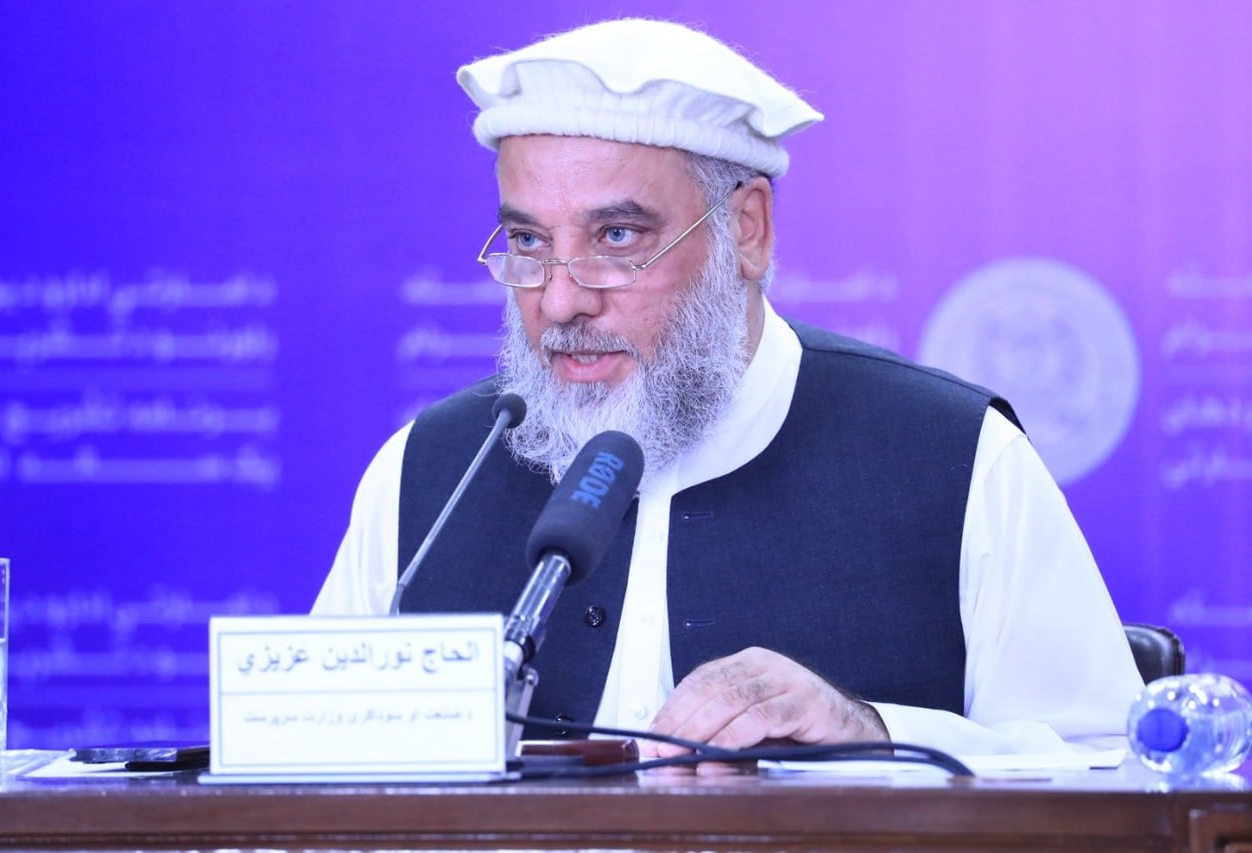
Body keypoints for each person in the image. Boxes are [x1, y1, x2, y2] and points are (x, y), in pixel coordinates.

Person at [313, 18, 1144, 760]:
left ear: (747, 230)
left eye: (616, 236)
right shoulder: (431, 471)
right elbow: (305, 768)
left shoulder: (956, 456)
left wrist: (875, 729)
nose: (560, 300)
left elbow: (1113, 768)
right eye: (529, 240)